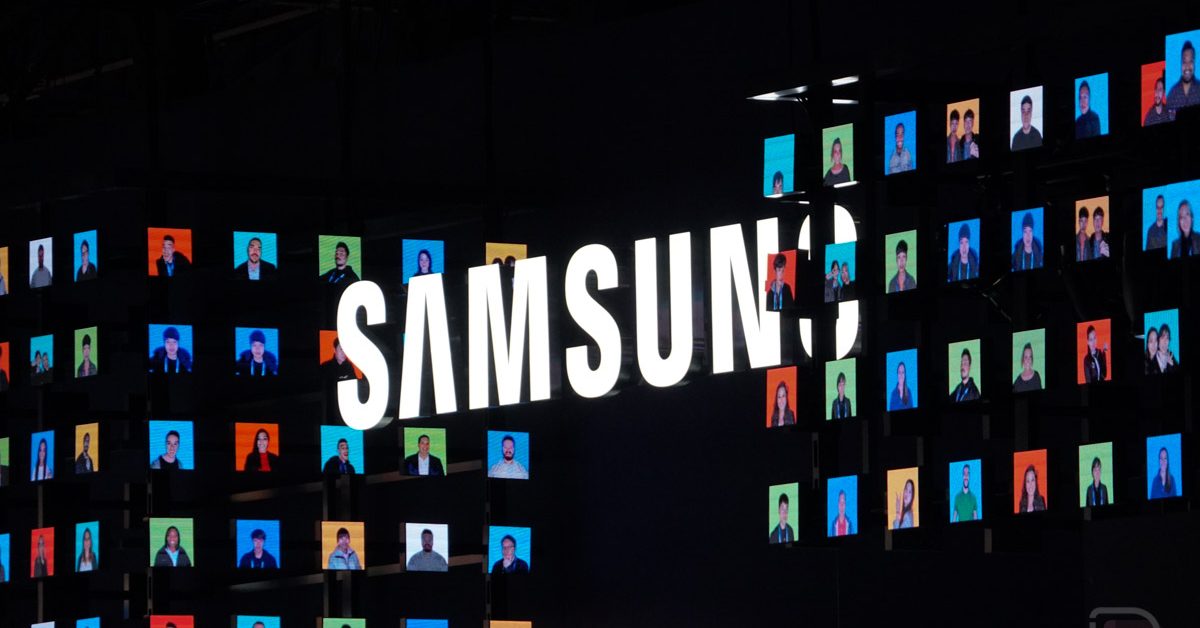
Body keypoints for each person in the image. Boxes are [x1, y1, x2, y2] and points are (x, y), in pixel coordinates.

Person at [1165, 40, 1199, 119]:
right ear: (1181, 63)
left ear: (1194, 63)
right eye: (1184, 62)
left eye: (1190, 61)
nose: (1187, 66)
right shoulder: (1172, 95)